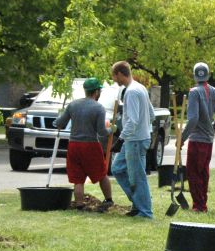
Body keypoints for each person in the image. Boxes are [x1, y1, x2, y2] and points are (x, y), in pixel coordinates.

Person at [55, 77, 115, 210]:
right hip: (91, 145)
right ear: (97, 92)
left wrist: (58, 118)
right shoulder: (99, 108)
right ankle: (109, 200)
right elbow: (102, 132)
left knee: (78, 178)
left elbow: (60, 123)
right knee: (101, 173)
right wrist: (112, 129)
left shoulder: (73, 105)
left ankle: (79, 205)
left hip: (74, 145)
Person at [110, 61, 156, 218]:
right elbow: (151, 114)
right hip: (137, 139)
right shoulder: (140, 87)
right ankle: (138, 202)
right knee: (117, 169)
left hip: (135, 141)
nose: (114, 80)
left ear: (121, 74)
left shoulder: (131, 92)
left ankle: (145, 212)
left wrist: (120, 140)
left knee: (137, 176)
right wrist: (145, 131)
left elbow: (133, 120)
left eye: (114, 76)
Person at [181, 62, 215, 213]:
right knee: (203, 172)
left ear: (195, 75)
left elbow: (193, 119)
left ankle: (199, 206)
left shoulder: (194, 92)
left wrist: (182, 138)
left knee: (193, 173)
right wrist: (212, 130)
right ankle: (202, 203)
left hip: (196, 140)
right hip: (208, 140)